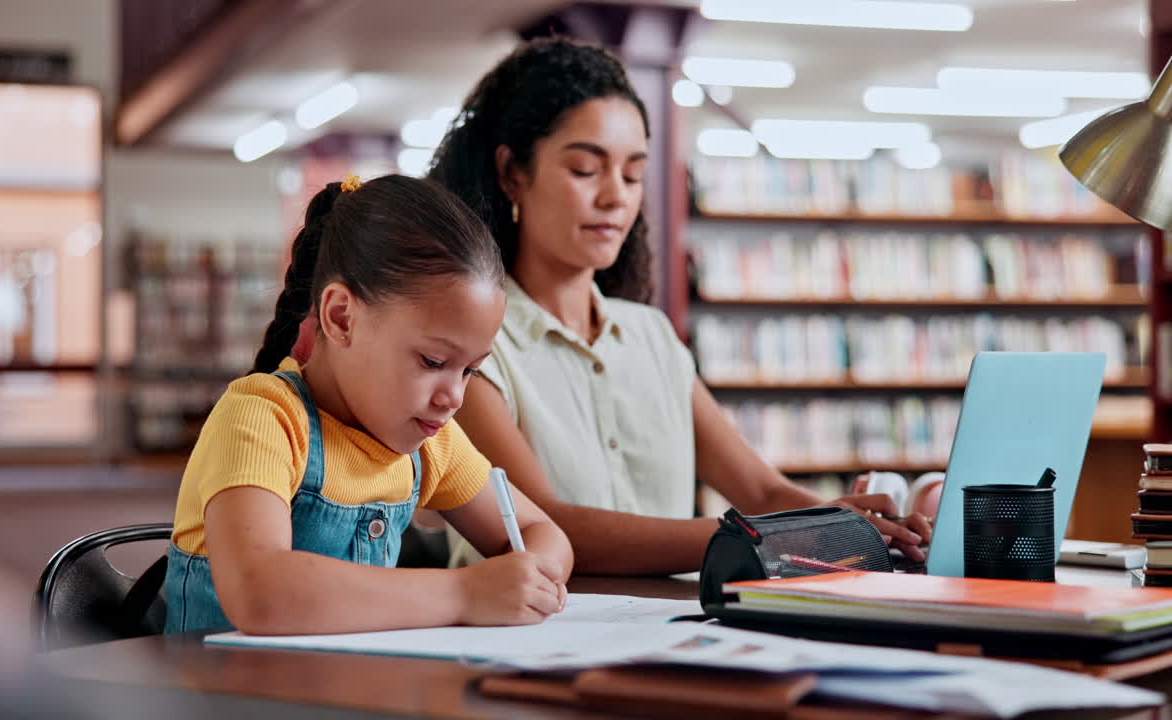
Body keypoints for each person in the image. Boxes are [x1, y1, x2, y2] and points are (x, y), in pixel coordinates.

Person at [428, 37, 932, 575]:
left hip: (670, 627)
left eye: (633, 174)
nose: (615, 196)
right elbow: (545, 527)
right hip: (528, 634)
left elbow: (760, 488)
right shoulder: (474, 344)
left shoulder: (652, 336)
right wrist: (764, 535)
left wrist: (843, 521)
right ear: (512, 173)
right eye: (584, 169)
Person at [164, 174, 573, 635]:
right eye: (433, 360)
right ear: (341, 317)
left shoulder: (431, 445)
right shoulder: (263, 419)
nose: (454, 396)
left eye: (470, 370)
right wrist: (464, 593)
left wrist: (532, 574)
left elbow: (548, 534)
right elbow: (260, 593)